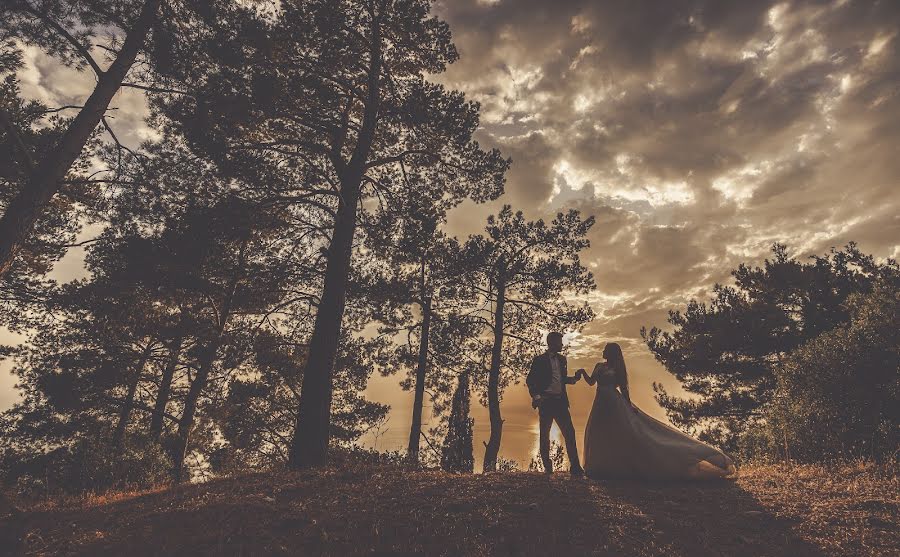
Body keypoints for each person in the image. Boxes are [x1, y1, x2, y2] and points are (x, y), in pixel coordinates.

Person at [580, 342, 736, 480]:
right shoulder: (599, 366)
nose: (603, 351)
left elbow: (624, 390)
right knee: (600, 433)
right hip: (600, 404)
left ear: (612, 353)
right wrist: (582, 373)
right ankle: (600, 467)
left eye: (606, 349)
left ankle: (621, 467)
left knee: (624, 434)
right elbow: (591, 382)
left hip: (614, 403)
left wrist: (629, 408)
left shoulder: (618, 368)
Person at [526, 331, 585, 477]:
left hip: (560, 402)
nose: (562, 344)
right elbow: (530, 380)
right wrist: (537, 396)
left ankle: (576, 468)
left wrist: (574, 379)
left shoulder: (563, 359)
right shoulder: (539, 360)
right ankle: (548, 468)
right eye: (560, 342)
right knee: (544, 435)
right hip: (546, 402)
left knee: (569, 434)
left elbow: (561, 379)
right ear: (551, 343)